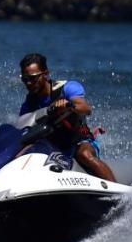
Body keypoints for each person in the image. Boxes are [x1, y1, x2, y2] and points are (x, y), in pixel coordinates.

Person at [18, 52, 117, 182]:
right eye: (25, 79)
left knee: (84, 155)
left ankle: (120, 194)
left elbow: (86, 109)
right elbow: (24, 132)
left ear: (46, 74)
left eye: (33, 78)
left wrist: (68, 106)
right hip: (53, 147)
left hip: (79, 142)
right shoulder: (28, 106)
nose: (29, 83)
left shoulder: (67, 88)